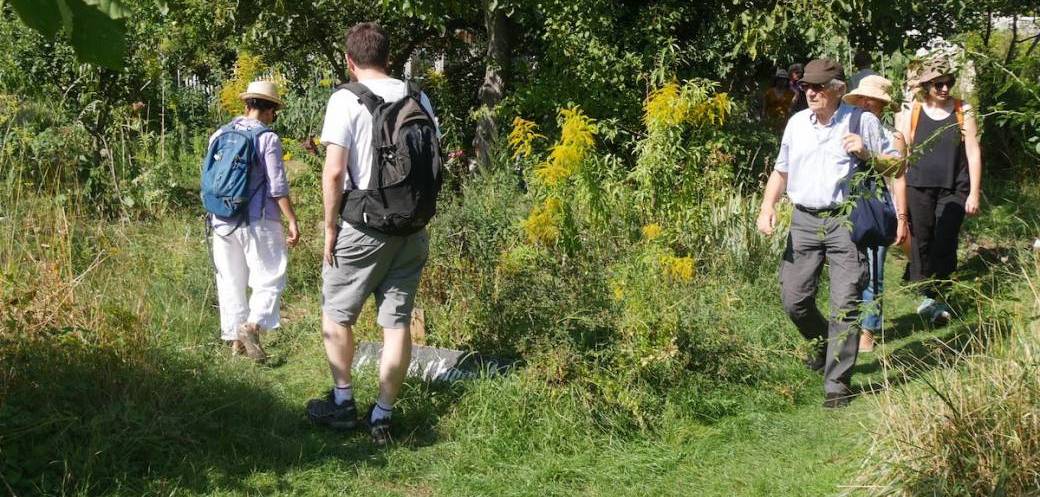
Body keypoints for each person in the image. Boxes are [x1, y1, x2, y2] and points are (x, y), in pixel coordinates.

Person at [307, 22, 439, 445]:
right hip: (412, 227)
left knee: (336, 314)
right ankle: (382, 415)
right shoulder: (418, 97)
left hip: (363, 226)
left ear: (350, 61)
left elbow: (334, 172)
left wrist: (330, 228)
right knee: (396, 325)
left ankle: (343, 402)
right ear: (388, 56)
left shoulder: (345, 99)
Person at [757, 58, 895, 408]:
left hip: (845, 221)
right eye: (807, 86)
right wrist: (767, 206)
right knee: (794, 300)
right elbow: (781, 171)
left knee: (845, 303)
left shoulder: (862, 121)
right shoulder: (796, 125)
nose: (811, 93)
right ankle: (825, 344)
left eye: (819, 87)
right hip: (804, 221)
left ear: (838, 90)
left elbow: (896, 163)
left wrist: (866, 153)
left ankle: (837, 385)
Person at [209, 80, 301, 362]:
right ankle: (251, 327)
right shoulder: (267, 138)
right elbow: (277, 187)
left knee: (230, 280)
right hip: (258, 219)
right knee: (270, 275)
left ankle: (236, 343)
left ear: (247, 104)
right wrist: (292, 220)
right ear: (270, 110)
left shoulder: (219, 134)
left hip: (222, 218)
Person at [896, 60, 982, 325]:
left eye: (949, 83)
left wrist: (974, 192)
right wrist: (896, 189)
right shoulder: (913, 110)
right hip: (918, 185)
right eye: (938, 84)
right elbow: (901, 151)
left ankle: (941, 294)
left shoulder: (963, 110)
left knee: (945, 239)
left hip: (954, 187)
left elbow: (973, 151)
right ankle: (927, 293)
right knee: (922, 239)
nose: (945, 89)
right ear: (926, 85)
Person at [842, 75, 910, 352]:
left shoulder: (893, 136)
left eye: (874, 101)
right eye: (863, 98)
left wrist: (902, 218)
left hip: (876, 204)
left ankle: (868, 331)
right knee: (853, 269)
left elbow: (898, 174)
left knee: (873, 268)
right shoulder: (846, 125)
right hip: (850, 202)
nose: (867, 104)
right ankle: (850, 327)